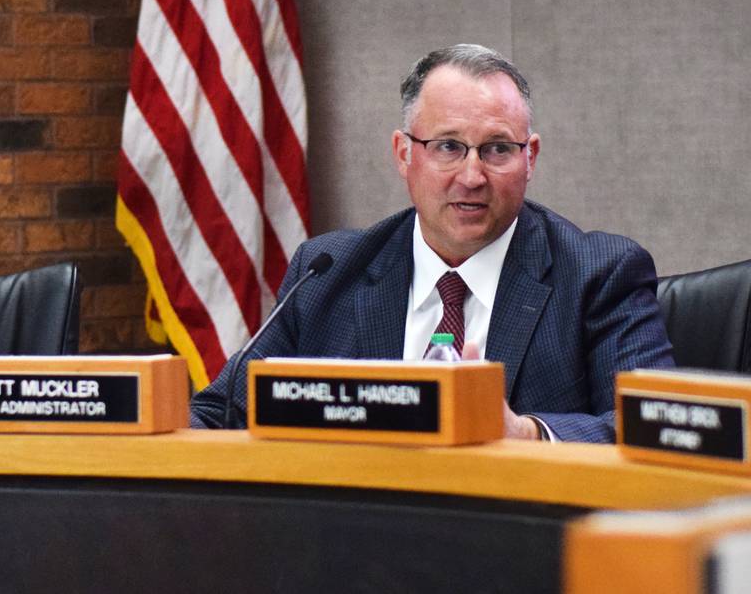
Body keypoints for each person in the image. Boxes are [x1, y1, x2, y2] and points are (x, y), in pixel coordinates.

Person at [190, 44, 674, 442]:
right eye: (447, 147)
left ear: (531, 158)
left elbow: (650, 428)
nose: (472, 176)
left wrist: (525, 433)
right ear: (404, 154)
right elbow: (218, 412)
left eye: (498, 149)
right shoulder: (327, 272)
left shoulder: (599, 274)